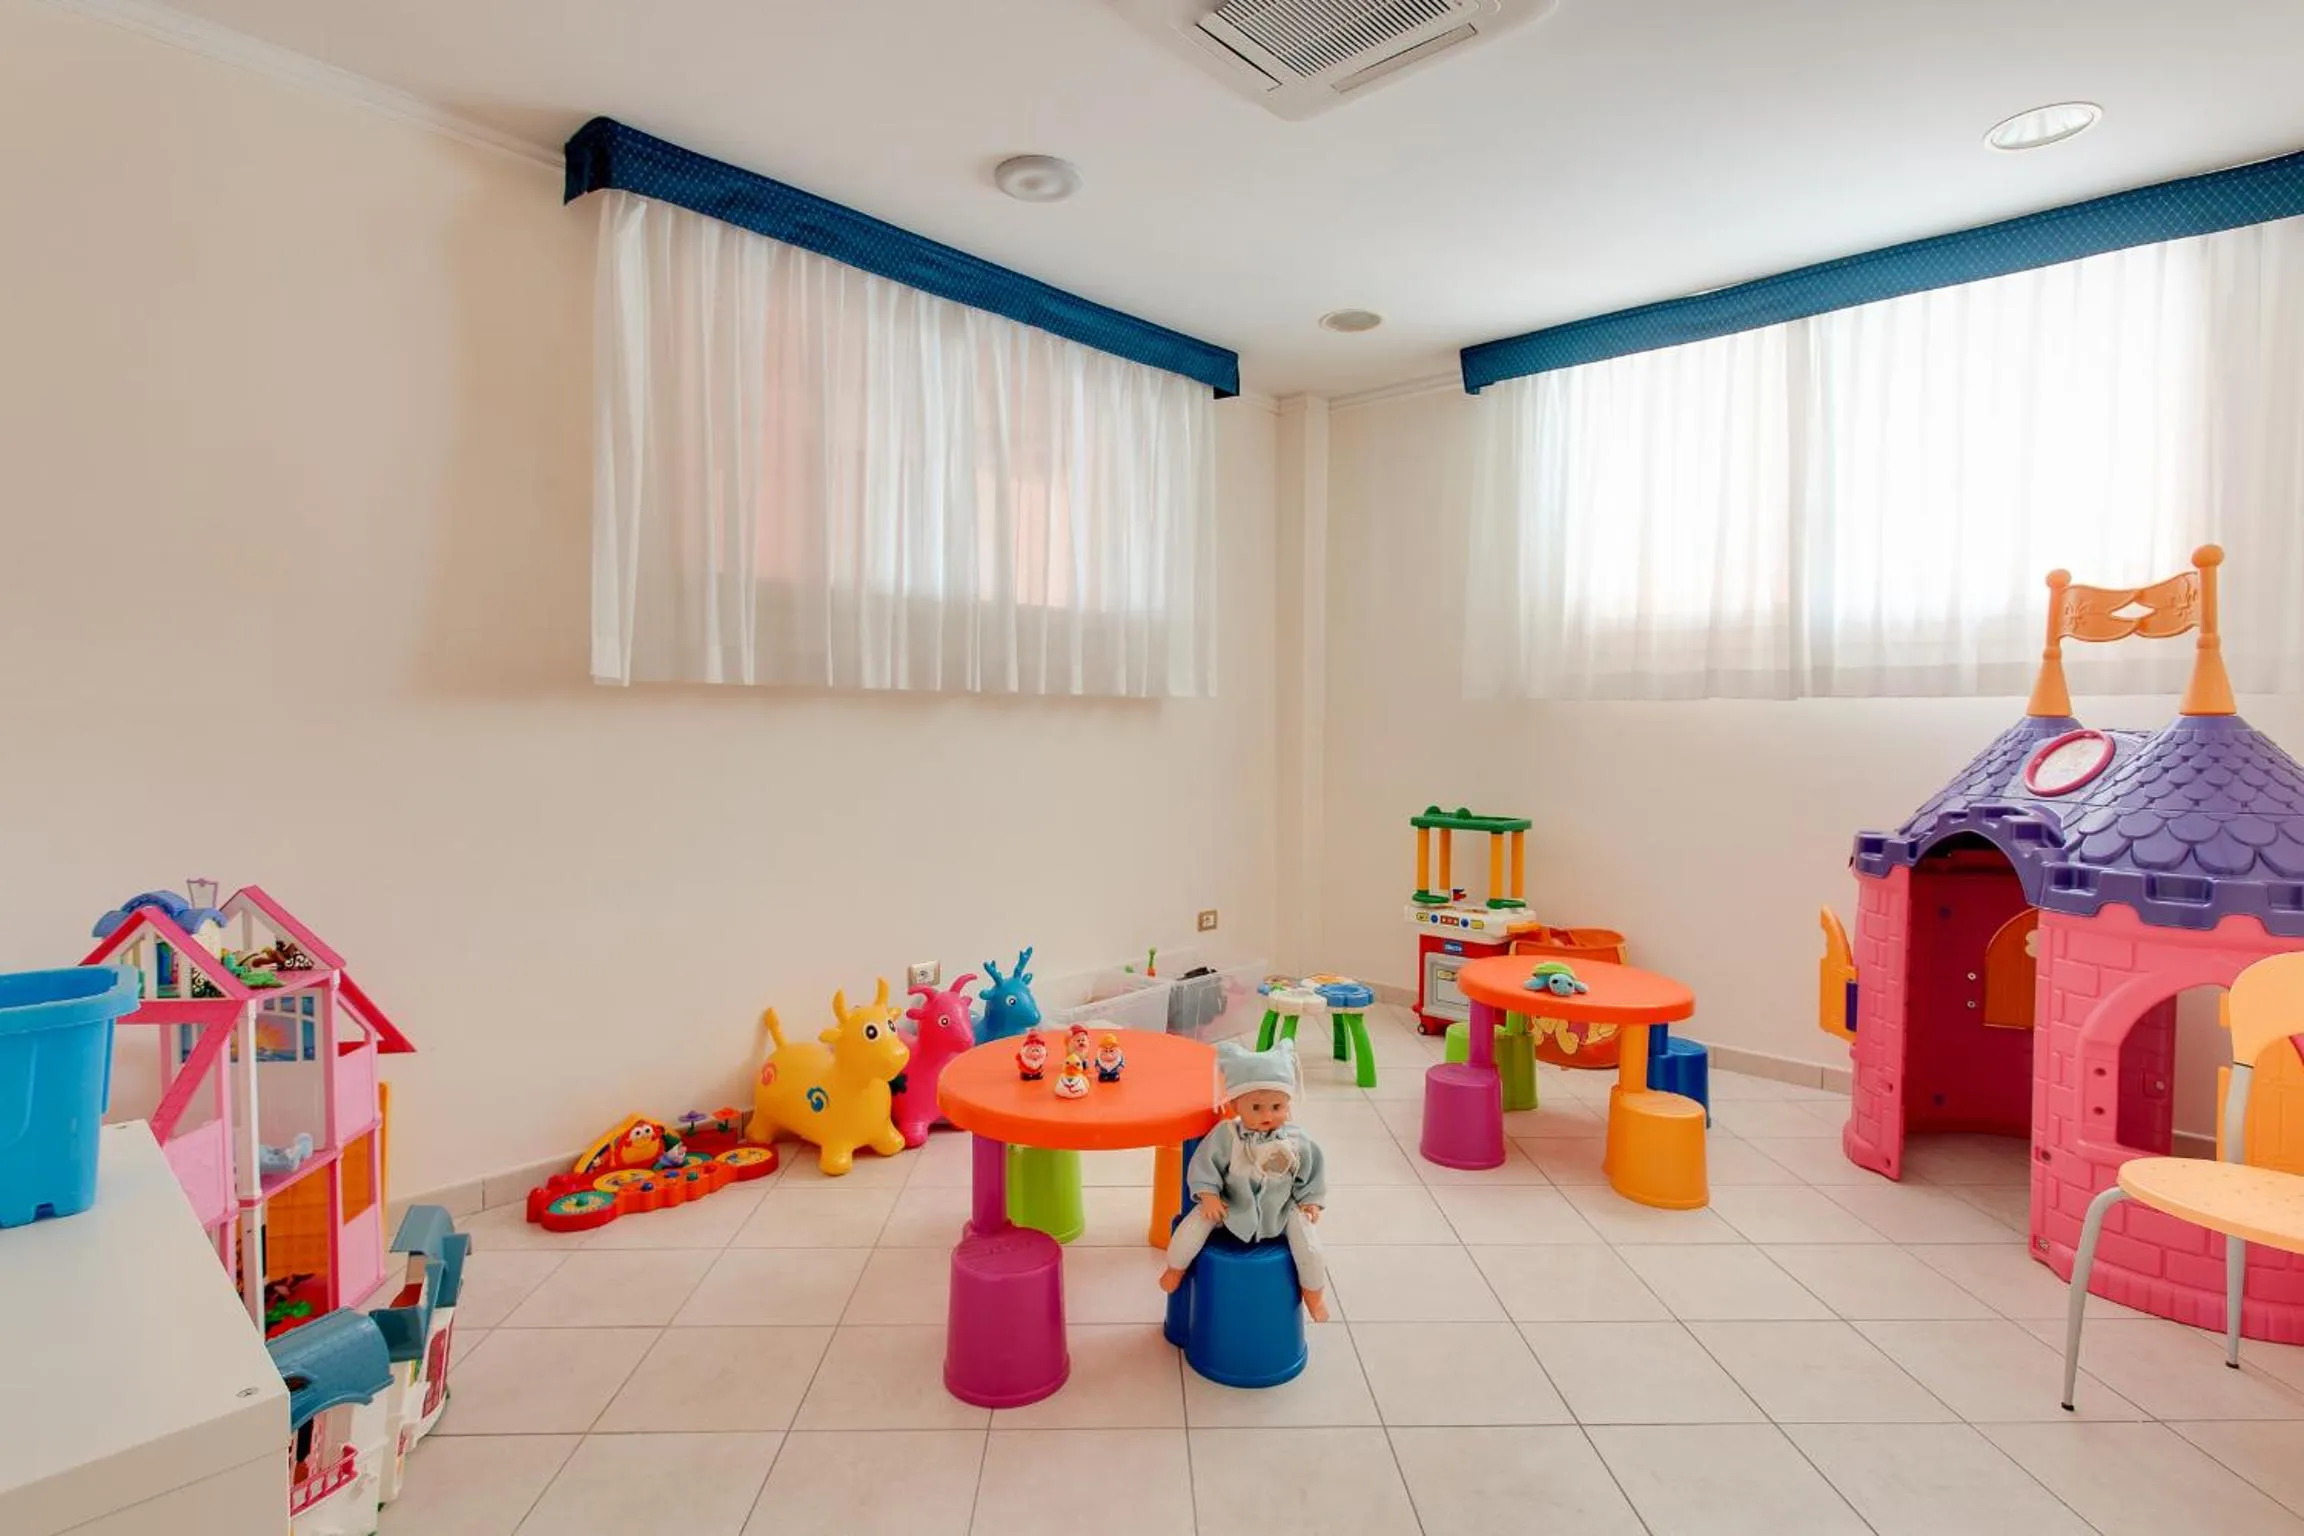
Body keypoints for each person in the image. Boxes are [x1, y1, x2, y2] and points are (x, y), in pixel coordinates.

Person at [1157, 1038, 1329, 1321]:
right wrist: (1209, 1195)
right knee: (1193, 1225)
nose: (1267, 1115)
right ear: (1236, 1105)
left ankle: (1314, 1295)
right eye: (1257, 1108)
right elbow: (1204, 1165)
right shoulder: (1227, 1135)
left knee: (1309, 1244)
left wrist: (1310, 1201)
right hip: (1231, 1208)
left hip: (1280, 1211)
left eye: (1276, 1107)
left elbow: (1312, 1171)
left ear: (1288, 1103)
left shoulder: (1297, 1140)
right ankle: (1175, 1269)